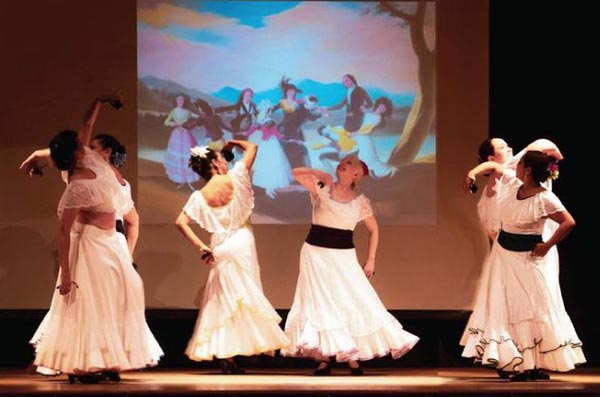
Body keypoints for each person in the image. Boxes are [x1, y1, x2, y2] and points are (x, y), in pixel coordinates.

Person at [20, 95, 163, 383]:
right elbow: (63, 232)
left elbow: (86, 122)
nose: (82, 142)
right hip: (89, 244)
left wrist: (100, 101)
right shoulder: (75, 186)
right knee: (91, 303)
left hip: (111, 241)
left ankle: (109, 358)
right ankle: (82, 364)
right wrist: (67, 274)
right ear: (71, 155)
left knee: (121, 296)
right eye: (77, 144)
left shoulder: (87, 156)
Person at [280, 155, 419, 375]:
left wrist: (371, 259)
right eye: (343, 161)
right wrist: (319, 174)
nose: (343, 163)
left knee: (349, 300)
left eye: (350, 163)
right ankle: (325, 358)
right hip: (315, 253)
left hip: (343, 255)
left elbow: (374, 229)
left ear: (357, 174)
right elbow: (296, 172)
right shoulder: (322, 187)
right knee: (320, 301)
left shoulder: (360, 201)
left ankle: (351, 355)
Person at [461, 150, 585, 380]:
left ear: (528, 170)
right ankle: (518, 361)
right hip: (504, 258)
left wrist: (547, 246)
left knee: (530, 310)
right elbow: (495, 169)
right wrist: (472, 173)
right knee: (508, 308)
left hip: (528, 261)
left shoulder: (545, 198)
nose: (514, 166)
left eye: (520, 165)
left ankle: (531, 364)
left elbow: (568, 222)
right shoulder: (512, 184)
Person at [175, 140, 289, 373]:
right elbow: (253, 147)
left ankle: (227, 354)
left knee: (222, 299)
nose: (226, 161)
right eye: (222, 158)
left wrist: (201, 248)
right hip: (242, 242)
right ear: (216, 163)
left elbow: (180, 222)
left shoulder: (199, 195)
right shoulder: (236, 177)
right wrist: (233, 142)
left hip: (219, 246)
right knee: (245, 296)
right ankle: (237, 349)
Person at [315, 97, 398, 178]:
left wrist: (355, 133)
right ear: (378, 105)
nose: (381, 109)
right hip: (358, 137)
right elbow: (361, 120)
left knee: (368, 158)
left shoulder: (378, 118)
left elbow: (366, 129)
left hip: (364, 138)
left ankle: (381, 172)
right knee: (360, 156)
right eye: (381, 106)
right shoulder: (369, 113)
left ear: (386, 111)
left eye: (384, 108)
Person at [90, 134, 139, 269]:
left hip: (101, 239)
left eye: (92, 148)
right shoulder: (123, 183)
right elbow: (133, 221)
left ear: (107, 152)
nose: (88, 152)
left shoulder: (98, 175)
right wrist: (129, 255)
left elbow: (133, 221)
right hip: (117, 242)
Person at [163, 94, 199, 190]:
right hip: (176, 136)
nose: (180, 101)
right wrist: (174, 123)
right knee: (179, 156)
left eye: (182, 100)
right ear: (176, 101)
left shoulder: (188, 112)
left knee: (187, 155)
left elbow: (198, 117)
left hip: (186, 135)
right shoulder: (173, 111)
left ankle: (188, 180)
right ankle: (182, 179)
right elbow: (166, 122)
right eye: (178, 99)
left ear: (184, 101)